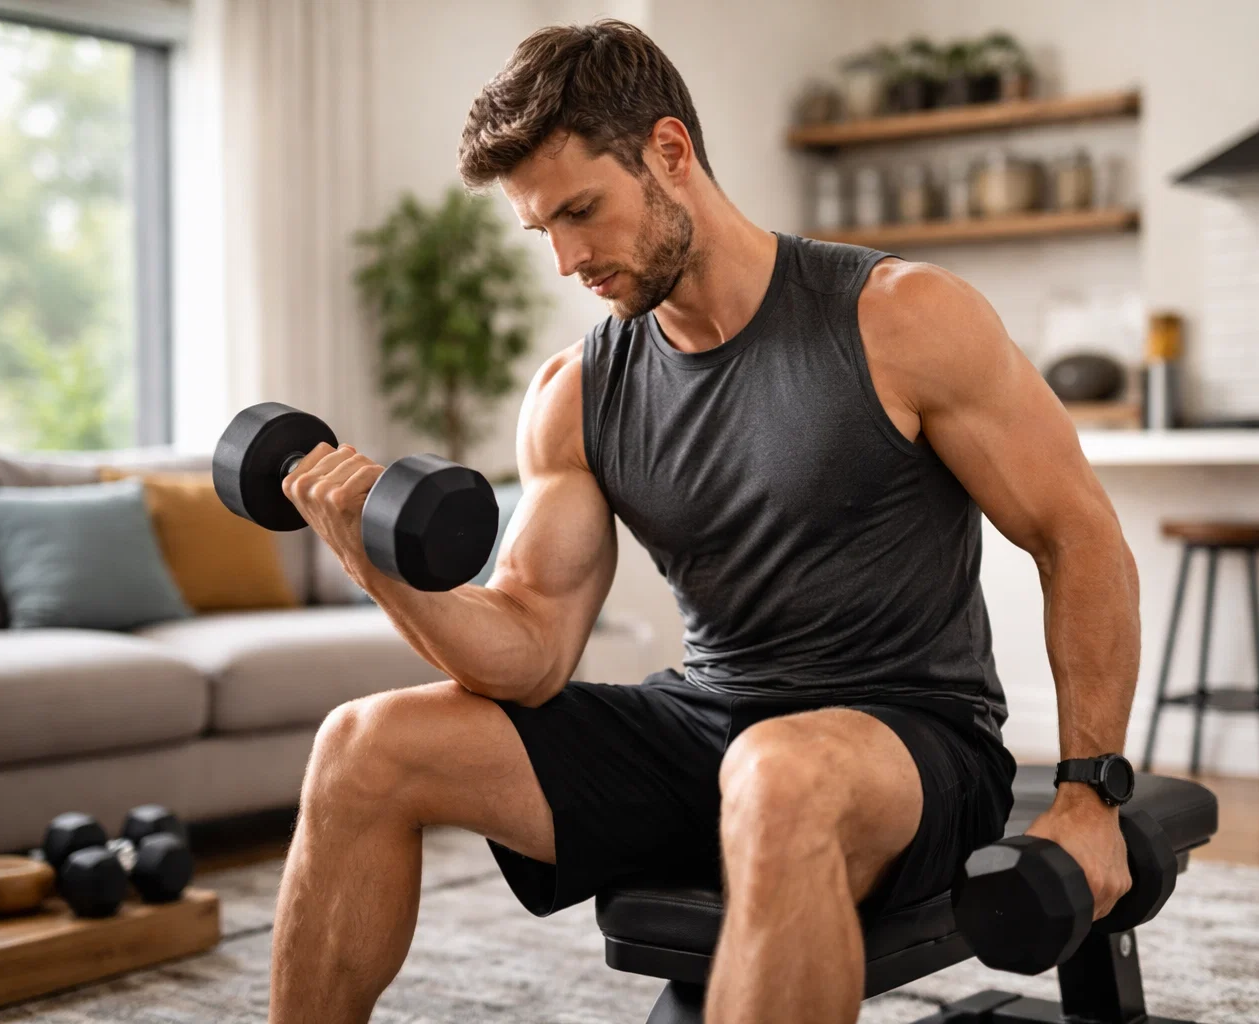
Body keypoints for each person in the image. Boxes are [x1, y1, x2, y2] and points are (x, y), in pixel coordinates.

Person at [268, 19, 1139, 1024]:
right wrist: (380, 566)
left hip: (911, 739)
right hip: (707, 728)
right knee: (362, 741)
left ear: (670, 153)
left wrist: (1089, 795)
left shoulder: (900, 318)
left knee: (778, 773)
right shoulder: (577, 391)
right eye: (541, 228)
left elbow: (1078, 536)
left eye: (582, 211)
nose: (565, 260)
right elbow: (528, 653)